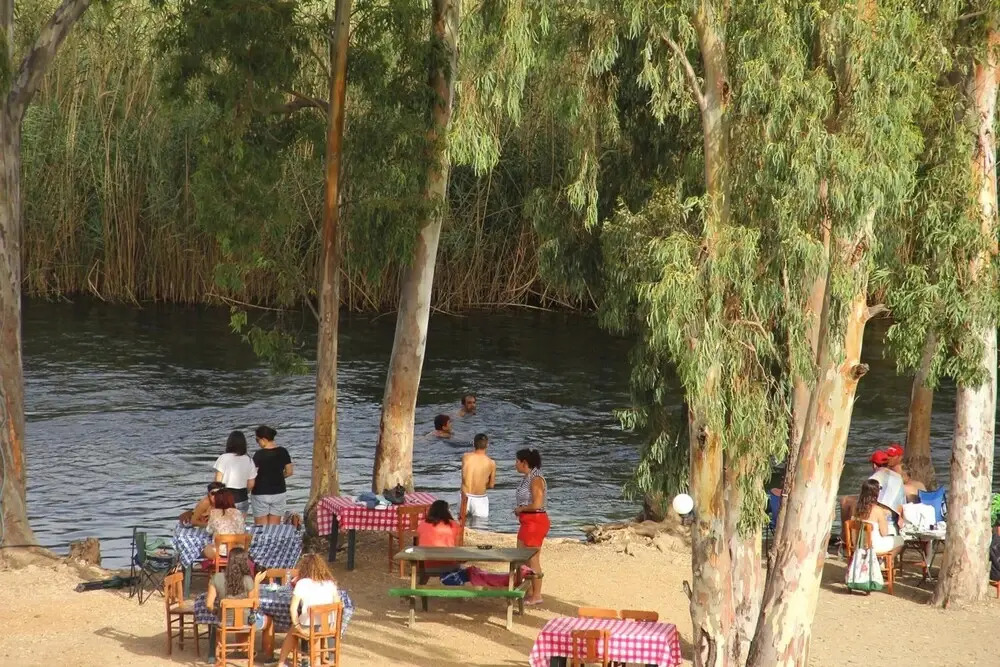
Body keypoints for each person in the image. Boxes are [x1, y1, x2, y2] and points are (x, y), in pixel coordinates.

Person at [274, 554, 340, 667]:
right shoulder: (330, 583)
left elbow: (293, 608)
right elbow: (338, 605)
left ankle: (281, 662)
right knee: (315, 628)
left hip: (309, 626)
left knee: (292, 631)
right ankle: (318, 661)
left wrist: (297, 626)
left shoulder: (302, 583)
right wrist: (334, 624)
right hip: (328, 625)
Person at [514, 448, 548, 606]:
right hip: (527, 521)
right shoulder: (527, 477)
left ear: (524, 463)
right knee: (522, 557)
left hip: (535, 522)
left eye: (517, 461)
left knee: (532, 558)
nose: (515, 464)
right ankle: (527, 589)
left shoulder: (536, 479)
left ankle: (537, 594)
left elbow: (538, 503)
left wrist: (522, 509)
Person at [251, 425, 293, 526]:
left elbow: (252, 474)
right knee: (274, 528)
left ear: (264, 439)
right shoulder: (283, 451)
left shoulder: (258, 454)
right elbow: (289, 471)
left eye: (257, 440)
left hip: (260, 493)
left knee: (261, 529)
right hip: (279, 492)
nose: (257, 443)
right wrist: (278, 476)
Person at [853, 479, 904, 557]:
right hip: (874, 547)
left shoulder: (856, 508)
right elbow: (884, 533)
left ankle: (881, 560)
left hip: (859, 545)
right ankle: (886, 561)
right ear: (876, 493)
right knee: (901, 540)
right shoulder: (878, 510)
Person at [205, 546, 254, 627]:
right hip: (245, 622)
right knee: (269, 621)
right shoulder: (248, 579)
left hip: (224, 623)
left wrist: (216, 611)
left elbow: (209, 604)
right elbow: (253, 604)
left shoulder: (216, 577)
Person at [214, 430, 257, 514]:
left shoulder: (223, 458)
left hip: (226, 499)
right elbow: (251, 484)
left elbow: (218, 481)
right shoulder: (249, 460)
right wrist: (246, 491)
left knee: (225, 522)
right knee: (240, 522)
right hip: (242, 497)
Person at [417, 500, 463, 570]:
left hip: (427, 565)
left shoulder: (422, 523)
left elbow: (420, 539)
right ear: (447, 511)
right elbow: (456, 547)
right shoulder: (454, 525)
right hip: (449, 565)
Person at [461, 434, 496, 525]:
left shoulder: (466, 457)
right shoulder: (491, 463)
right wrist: (482, 484)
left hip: (464, 496)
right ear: (487, 445)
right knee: (480, 528)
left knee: (461, 525)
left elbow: (464, 476)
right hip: (480, 498)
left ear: (473, 444)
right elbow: (491, 485)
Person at [203, 490, 246, 559]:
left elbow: (209, 530)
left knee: (206, 548)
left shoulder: (214, 513)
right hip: (237, 551)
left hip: (219, 551)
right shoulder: (238, 512)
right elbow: (242, 530)